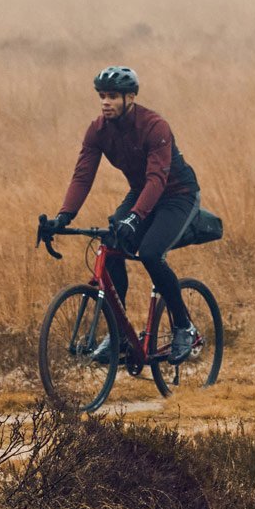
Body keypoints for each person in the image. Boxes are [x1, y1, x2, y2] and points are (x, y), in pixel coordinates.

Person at [47, 66, 202, 362]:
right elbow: (83, 176)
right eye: (102, 96)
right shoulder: (98, 131)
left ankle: (184, 326)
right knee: (112, 245)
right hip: (142, 190)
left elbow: (157, 178)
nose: (106, 102)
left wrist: (135, 217)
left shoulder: (155, 126)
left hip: (177, 194)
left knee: (151, 253)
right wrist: (64, 216)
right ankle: (120, 337)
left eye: (113, 96)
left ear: (130, 97)